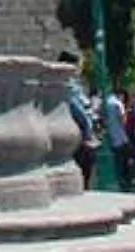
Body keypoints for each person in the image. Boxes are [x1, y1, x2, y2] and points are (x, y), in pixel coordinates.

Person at [57, 52, 97, 188]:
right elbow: (77, 109)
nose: (81, 69)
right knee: (84, 171)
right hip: (79, 135)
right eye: (79, 65)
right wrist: (88, 132)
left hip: (75, 132)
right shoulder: (69, 84)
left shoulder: (71, 84)